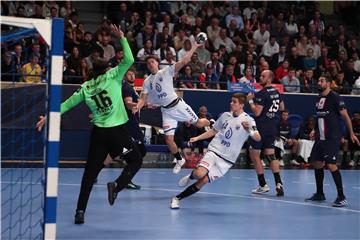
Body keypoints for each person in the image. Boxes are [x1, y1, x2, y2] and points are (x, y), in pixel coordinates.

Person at [36, 24, 143, 224]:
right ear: (107, 70)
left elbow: (66, 104)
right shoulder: (113, 77)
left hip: (98, 135)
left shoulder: (85, 87)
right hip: (117, 132)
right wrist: (122, 37)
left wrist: (47, 116)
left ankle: (79, 211)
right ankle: (117, 186)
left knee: (89, 174)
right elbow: (128, 59)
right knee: (136, 160)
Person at [170, 93, 261, 209]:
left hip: (227, 160)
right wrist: (198, 138)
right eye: (231, 101)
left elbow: (258, 137)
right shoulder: (225, 116)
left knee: (202, 181)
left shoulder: (249, 120)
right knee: (199, 174)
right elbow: (213, 131)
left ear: (241, 105)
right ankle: (191, 176)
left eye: (234, 102)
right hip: (215, 151)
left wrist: (249, 131)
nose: (231, 103)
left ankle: (177, 198)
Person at [133, 41, 210, 174]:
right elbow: (142, 99)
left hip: (178, 106)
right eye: (148, 63)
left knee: (198, 124)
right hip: (166, 111)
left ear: (157, 63)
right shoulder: (147, 82)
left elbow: (184, 61)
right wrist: (137, 107)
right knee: (169, 140)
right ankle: (179, 159)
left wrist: (194, 47)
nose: (151, 64)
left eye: (153, 62)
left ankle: (213, 122)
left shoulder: (166, 71)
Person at [305, 75, 359, 207]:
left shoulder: (335, 97)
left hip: (332, 137)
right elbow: (319, 117)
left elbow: (346, 117)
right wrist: (314, 130)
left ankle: (341, 196)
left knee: (331, 165)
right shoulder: (318, 98)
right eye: (319, 80)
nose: (319, 82)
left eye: (322, 80)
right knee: (317, 162)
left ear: (328, 84)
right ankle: (319, 193)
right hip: (320, 137)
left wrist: (351, 133)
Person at [247, 70, 285, 196]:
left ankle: (263, 185)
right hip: (272, 127)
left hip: (260, 127)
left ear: (269, 79)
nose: (260, 77)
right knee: (270, 155)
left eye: (263, 76)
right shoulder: (276, 92)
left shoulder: (261, 94)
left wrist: (251, 101)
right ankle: (278, 183)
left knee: (255, 155)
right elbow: (282, 108)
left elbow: (257, 113)